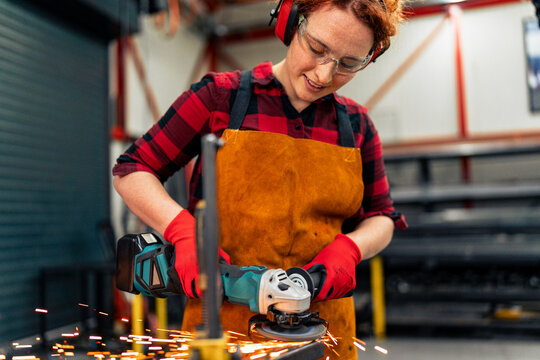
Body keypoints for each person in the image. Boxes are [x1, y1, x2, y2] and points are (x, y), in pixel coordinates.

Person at [113, 0, 407, 358]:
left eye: (348, 64)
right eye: (317, 49)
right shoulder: (219, 98)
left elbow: (383, 218)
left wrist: (350, 248)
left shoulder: (357, 126)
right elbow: (132, 169)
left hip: (327, 334)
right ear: (290, 22)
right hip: (221, 331)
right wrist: (183, 232)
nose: (323, 75)